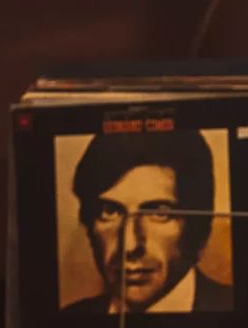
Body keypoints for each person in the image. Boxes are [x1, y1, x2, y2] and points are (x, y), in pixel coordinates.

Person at [65, 129, 234, 315]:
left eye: (159, 213)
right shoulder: (68, 324)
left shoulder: (244, 313)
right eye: (110, 212)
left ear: (198, 228)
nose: (129, 246)